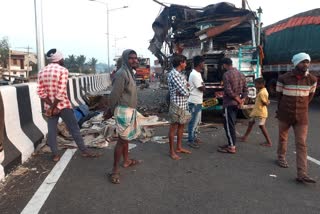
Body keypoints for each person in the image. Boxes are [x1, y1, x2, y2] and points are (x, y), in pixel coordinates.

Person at [37, 49, 99, 162]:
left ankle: (55, 155)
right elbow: (61, 92)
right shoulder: (63, 70)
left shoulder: (41, 71)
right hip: (63, 105)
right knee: (74, 128)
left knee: (51, 131)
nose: (63, 59)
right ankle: (84, 151)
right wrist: (55, 106)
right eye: (62, 58)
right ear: (59, 59)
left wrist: (51, 107)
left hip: (49, 107)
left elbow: (40, 93)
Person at [276, 52, 317, 183]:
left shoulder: (312, 80)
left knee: (301, 144)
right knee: (283, 138)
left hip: (302, 117)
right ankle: (281, 157)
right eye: (303, 62)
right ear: (296, 63)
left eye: (307, 62)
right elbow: (279, 96)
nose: (306, 64)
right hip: (285, 114)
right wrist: (282, 109)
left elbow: (309, 97)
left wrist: (301, 106)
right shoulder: (283, 78)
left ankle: (302, 173)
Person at [104, 49, 142, 184]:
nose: (135, 60)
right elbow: (114, 95)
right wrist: (110, 110)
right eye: (131, 58)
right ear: (126, 59)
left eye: (136, 58)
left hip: (130, 110)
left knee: (126, 139)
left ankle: (126, 161)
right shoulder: (121, 73)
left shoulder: (130, 72)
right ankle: (114, 170)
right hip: (123, 111)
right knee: (122, 140)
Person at [217, 58, 247, 154]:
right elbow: (246, 89)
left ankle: (231, 147)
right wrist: (242, 100)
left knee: (229, 125)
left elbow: (229, 91)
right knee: (231, 124)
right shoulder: (241, 74)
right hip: (237, 104)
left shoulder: (226, 75)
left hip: (229, 103)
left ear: (224, 65)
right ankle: (231, 143)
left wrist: (238, 100)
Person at [167, 54, 191, 160]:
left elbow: (187, 88)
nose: (186, 64)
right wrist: (185, 90)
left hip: (183, 104)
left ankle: (179, 147)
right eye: (185, 62)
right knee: (173, 128)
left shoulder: (180, 74)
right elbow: (185, 91)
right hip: (176, 105)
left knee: (181, 126)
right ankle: (172, 151)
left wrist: (185, 90)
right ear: (181, 63)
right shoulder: (174, 75)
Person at [240, 78, 272, 147]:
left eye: (256, 84)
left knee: (261, 126)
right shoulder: (261, 91)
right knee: (250, 123)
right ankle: (244, 137)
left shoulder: (263, 92)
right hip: (256, 111)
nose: (255, 85)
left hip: (261, 112)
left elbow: (265, 103)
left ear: (261, 84)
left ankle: (269, 142)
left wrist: (267, 102)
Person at [187, 56, 205, 149]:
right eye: (203, 63)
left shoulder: (198, 73)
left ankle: (194, 137)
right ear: (199, 63)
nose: (204, 65)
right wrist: (203, 86)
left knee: (197, 121)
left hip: (197, 100)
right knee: (193, 122)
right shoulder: (194, 74)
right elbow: (201, 87)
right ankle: (190, 140)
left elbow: (202, 86)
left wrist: (203, 86)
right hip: (194, 101)